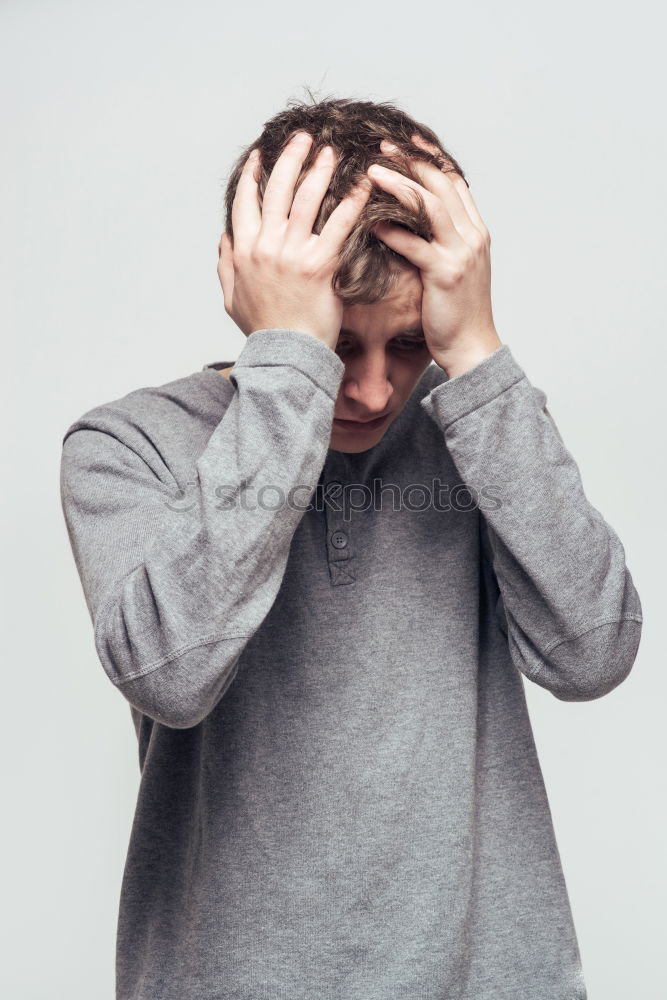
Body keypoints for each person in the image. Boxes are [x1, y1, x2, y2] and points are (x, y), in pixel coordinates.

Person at [59, 96, 643, 1000]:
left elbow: (592, 654)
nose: (371, 392)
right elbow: (168, 673)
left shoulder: (479, 423)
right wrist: (288, 363)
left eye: (407, 344)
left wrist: (477, 356)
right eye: (337, 346)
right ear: (257, 292)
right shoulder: (128, 445)